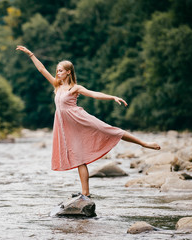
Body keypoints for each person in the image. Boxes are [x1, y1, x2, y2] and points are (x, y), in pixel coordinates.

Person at [16, 45, 161, 197]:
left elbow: (94, 94)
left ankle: (145, 143)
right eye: (57, 70)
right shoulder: (57, 86)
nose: (57, 73)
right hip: (66, 126)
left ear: (68, 72)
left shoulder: (75, 88)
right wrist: (31, 54)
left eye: (60, 70)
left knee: (109, 130)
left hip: (79, 119)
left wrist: (112, 97)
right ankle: (86, 193)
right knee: (79, 158)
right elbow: (41, 70)